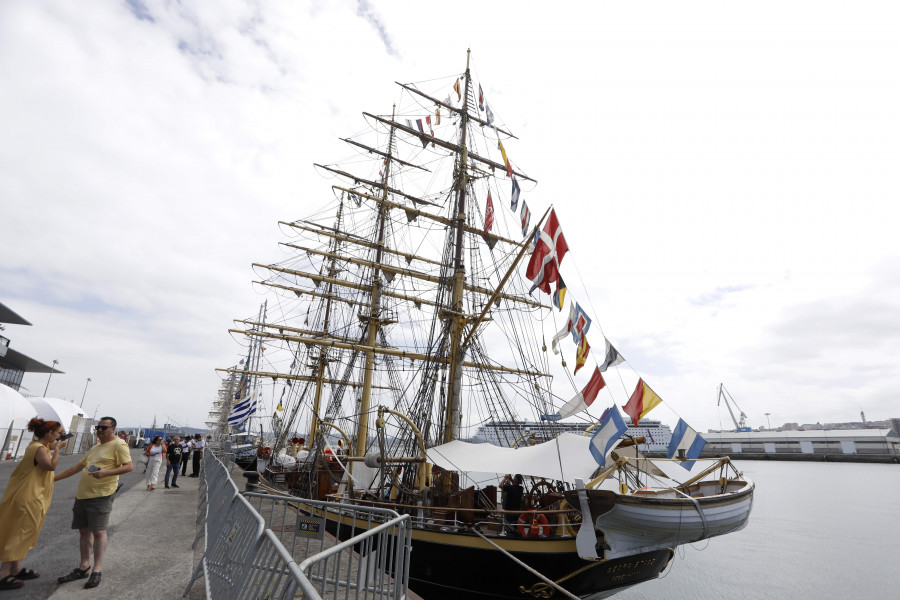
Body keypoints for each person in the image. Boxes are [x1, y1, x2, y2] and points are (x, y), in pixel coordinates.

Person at [54, 416, 133, 590]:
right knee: (84, 531)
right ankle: (84, 566)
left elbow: (128, 466)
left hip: (101, 495)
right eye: (98, 427)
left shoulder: (119, 445)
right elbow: (78, 466)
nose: (100, 430)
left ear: (113, 429)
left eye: (104, 427)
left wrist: (106, 473)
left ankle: (97, 569)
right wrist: (54, 479)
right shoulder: (96, 447)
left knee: (98, 531)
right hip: (83, 495)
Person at [0, 418, 66, 590]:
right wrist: (57, 450)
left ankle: (16, 568)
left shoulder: (38, 446)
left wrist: (59, 441)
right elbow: (50, 465)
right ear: (49, 433)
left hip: (31, 496)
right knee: (20, 534)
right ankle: (3, 573)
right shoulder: (39, 449)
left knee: (22, 532)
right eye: (57, 433)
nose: (59, 435)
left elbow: (51, 446)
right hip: (29, 497)